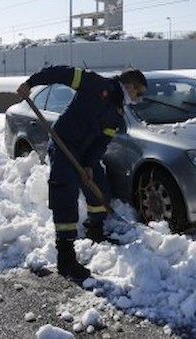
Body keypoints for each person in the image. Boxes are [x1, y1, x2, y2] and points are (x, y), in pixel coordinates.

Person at [16, 66, 147, 280]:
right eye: (139, 93)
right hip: (63, 144)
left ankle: (95, 229)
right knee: (64, 195)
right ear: (130, 86)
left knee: (99, 191)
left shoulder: (117, 113)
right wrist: (31, 83)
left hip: (84, 153)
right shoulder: (95, 84)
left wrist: (89, 164)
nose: (137, 98)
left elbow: (101, 142)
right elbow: (59, 73)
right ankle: (65, 257)